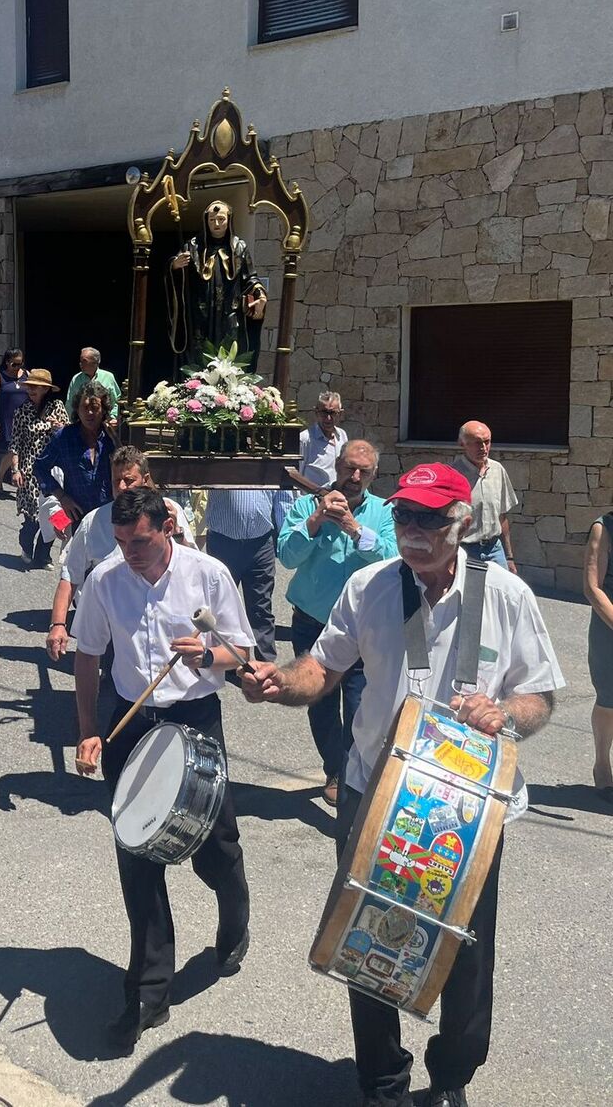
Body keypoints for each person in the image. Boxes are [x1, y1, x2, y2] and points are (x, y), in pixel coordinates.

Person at [242, 462, 564, 1107]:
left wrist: (507, 717)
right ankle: (382, 1083)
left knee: (465, 950)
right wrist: (281, 683)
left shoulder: (505, 595)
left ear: (463, 523)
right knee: (366, 938)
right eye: (404, 517)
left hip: (470, 804)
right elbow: (322, 668)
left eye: (430, 519)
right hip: (376, 788)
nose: (413, 531)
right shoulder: (368, 587)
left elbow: (541, 695)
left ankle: (451, 1077)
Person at [74, 488, 254, 1050]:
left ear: (168, 528)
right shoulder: (105, 579)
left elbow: (243, 651)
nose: (131, 552)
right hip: (132, 721)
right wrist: (87, 730)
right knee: (137, 857)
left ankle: (234, 910)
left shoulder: (208, 573)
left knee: (215, 845)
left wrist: (209, 656)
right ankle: (149, 990)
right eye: (123, 541)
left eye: (142, 541)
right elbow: (86, 655)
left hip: (196, 716)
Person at [277, 440, 397, 805]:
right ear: (337, 468)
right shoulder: (305, 506)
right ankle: (336, 769)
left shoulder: (386, 512)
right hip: (313, 622)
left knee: (362, 701)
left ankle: (354, 774)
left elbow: (394, 557)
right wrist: (315, 521)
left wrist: (354, 528)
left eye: (363, 470)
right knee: (321, 701)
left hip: (365, 626)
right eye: (348, 468)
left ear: (373, 475)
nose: (354, 476)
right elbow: (286, 555)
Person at [47, 447, 196, 662]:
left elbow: (194, 567)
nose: (121, 487)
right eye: (116, 481)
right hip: (113, 629)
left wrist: (177, 534)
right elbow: (70, 575)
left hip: (164, 625)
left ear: (145, 479)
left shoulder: (170, 513)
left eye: (128, 480)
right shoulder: (94, 522)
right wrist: (58, 625)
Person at [168, 200, 266, 357]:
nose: (217, 224)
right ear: (206, 221)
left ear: (229, 220)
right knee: (200, 354)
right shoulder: (193, 247)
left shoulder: (239, 247)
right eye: (212, 220)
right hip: (201, 312)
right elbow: (177, 278)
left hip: (230, 311)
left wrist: (260, 295)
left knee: (230, 350)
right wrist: (175, 266)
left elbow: (250, 278)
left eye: (221, 219)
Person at [205, 487, 289, 667]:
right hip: (222, 541)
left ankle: (265, 664)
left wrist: (286, 538)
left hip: (261, 542)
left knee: (261, 607)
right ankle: (224, 661)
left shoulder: (271, 460)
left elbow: (283, 496)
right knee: (221, 607)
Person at [9, 369, 70, 565]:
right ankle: (26, 545)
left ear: (45, 389)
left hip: (54, 471)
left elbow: (71, 435)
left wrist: (59, 428)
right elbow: (15, 443)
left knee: (55, 514)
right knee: (32, 517)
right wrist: (15, 469)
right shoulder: (21, 411)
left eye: (35, 387)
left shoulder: (57, 407)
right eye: (29, 386)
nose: (30, 390)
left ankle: (44, 555)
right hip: (30, 472)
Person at [33, 381, 116, 527]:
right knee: (55, 540)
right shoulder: (64, 436)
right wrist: (62, 498)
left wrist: (117, 439)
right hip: (76, 515)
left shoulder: (111, 437)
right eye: (85, 407)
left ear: (103, 410)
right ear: (77, 410)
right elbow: (40, 467)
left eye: (95, 408)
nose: (89, 412)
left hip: (109, 516)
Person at [452, 421, 519, 572]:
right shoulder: (453, 475)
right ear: (462, 444)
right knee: (470, 594)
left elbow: (502, 516)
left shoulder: (497, 470)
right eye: (476, 443)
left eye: (487, 442)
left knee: (501, 592)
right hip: (465, 550)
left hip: (495, 550)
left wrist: (509, 556)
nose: (483, 448)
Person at [582, 512, 613, 804]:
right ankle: (602, 765)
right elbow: (592, 587)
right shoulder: (604, 529)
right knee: (609, 699)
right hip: (609, 626)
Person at [0, 347, 27, 491]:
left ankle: (2, 475)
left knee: (20, 450)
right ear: (7, 362)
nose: (17, 368)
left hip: (25, 418)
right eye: (14, 364)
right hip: (8, 418)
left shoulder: (27, 375)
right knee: (13, 450)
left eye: (20, 364)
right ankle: (3, 475)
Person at [297, 392, 349, 491]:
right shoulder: (305, 439)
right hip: (312, 500)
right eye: (324, 413)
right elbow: (296, 474)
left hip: (337, 498)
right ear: (316, 413)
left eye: (333, 413)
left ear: (340, 414)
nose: (328, 418)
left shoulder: (342, 436)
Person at [66, 347, 122, 422]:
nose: (80, 364)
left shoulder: (108, 377)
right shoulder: (76, 379)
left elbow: (117, 400)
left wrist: (112, 417)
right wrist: (73, 422)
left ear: (95, 362)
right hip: (82, 423)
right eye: (80, 361)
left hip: (105, 422)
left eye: (84, 361)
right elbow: (70, 404)